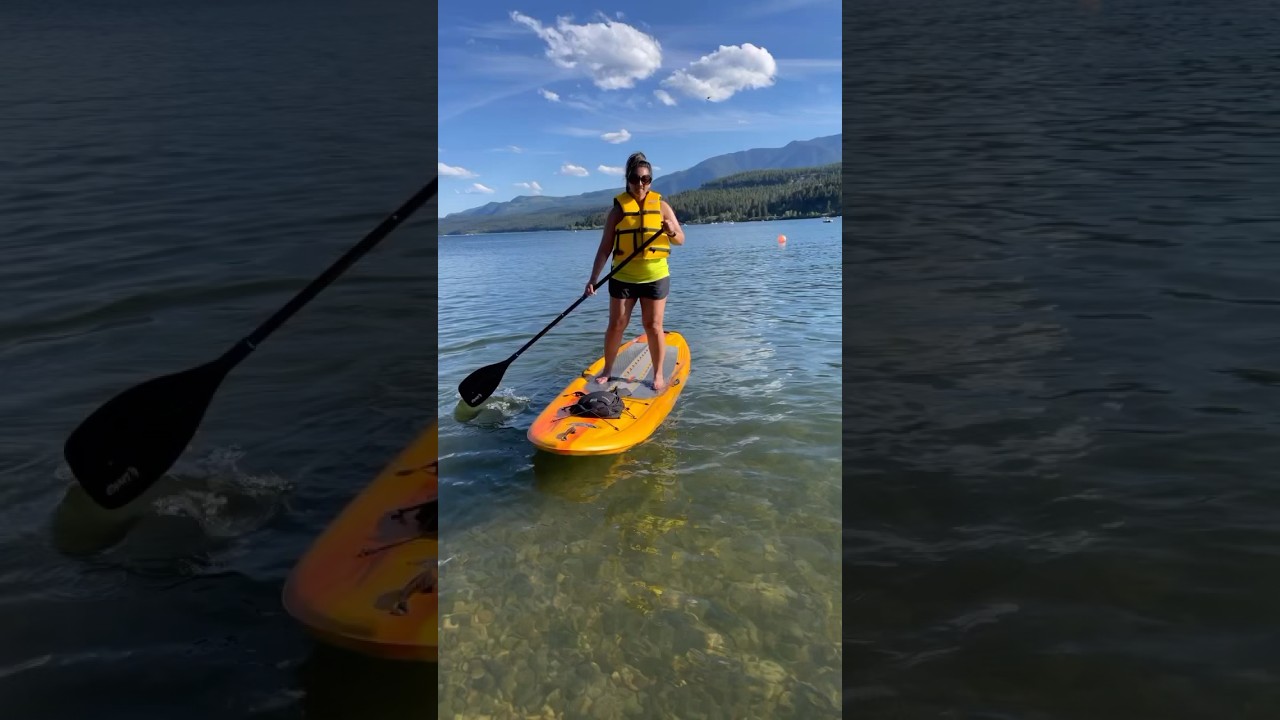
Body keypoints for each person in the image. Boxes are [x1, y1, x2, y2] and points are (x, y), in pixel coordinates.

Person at [584, 151, 685, 392]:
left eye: (645, 179)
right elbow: (605, 248)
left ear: (650, 180)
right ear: (628, 180)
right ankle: (608, 369)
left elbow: (680, 239)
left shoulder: (661, 207)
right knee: (616, 324)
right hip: (623, 277)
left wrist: (671, 230)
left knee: (653, 325)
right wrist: (593, 279)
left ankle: (658, 373)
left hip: (655, 276)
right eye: (635, 179)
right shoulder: (618, 211)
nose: (640, 184)